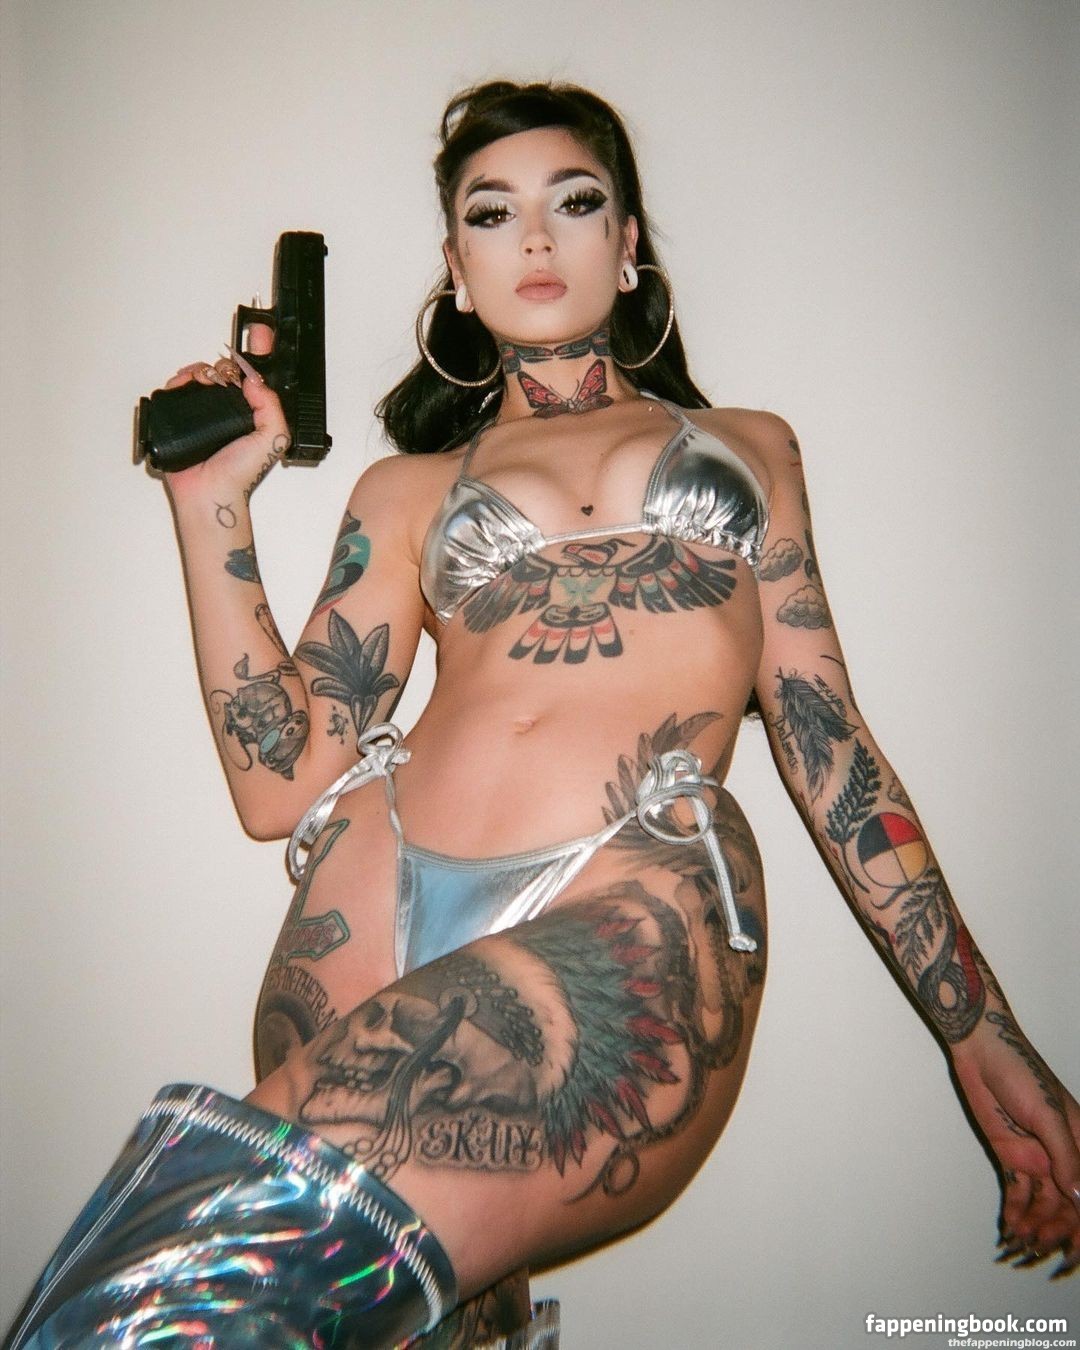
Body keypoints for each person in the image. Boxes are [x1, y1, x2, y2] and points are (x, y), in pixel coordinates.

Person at [5, 79, 1078, 1350]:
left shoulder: (752, 446)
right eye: (489, 213)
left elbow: (825, 736)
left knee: (176, 1294)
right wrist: (212, 506)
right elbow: (277, 784)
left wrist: (977, 1027)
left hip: (630, 882)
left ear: (628, 246)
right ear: (457, 274)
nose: (532, 236)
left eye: (573, 202)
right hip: (373, 898)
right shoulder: (405, 489)